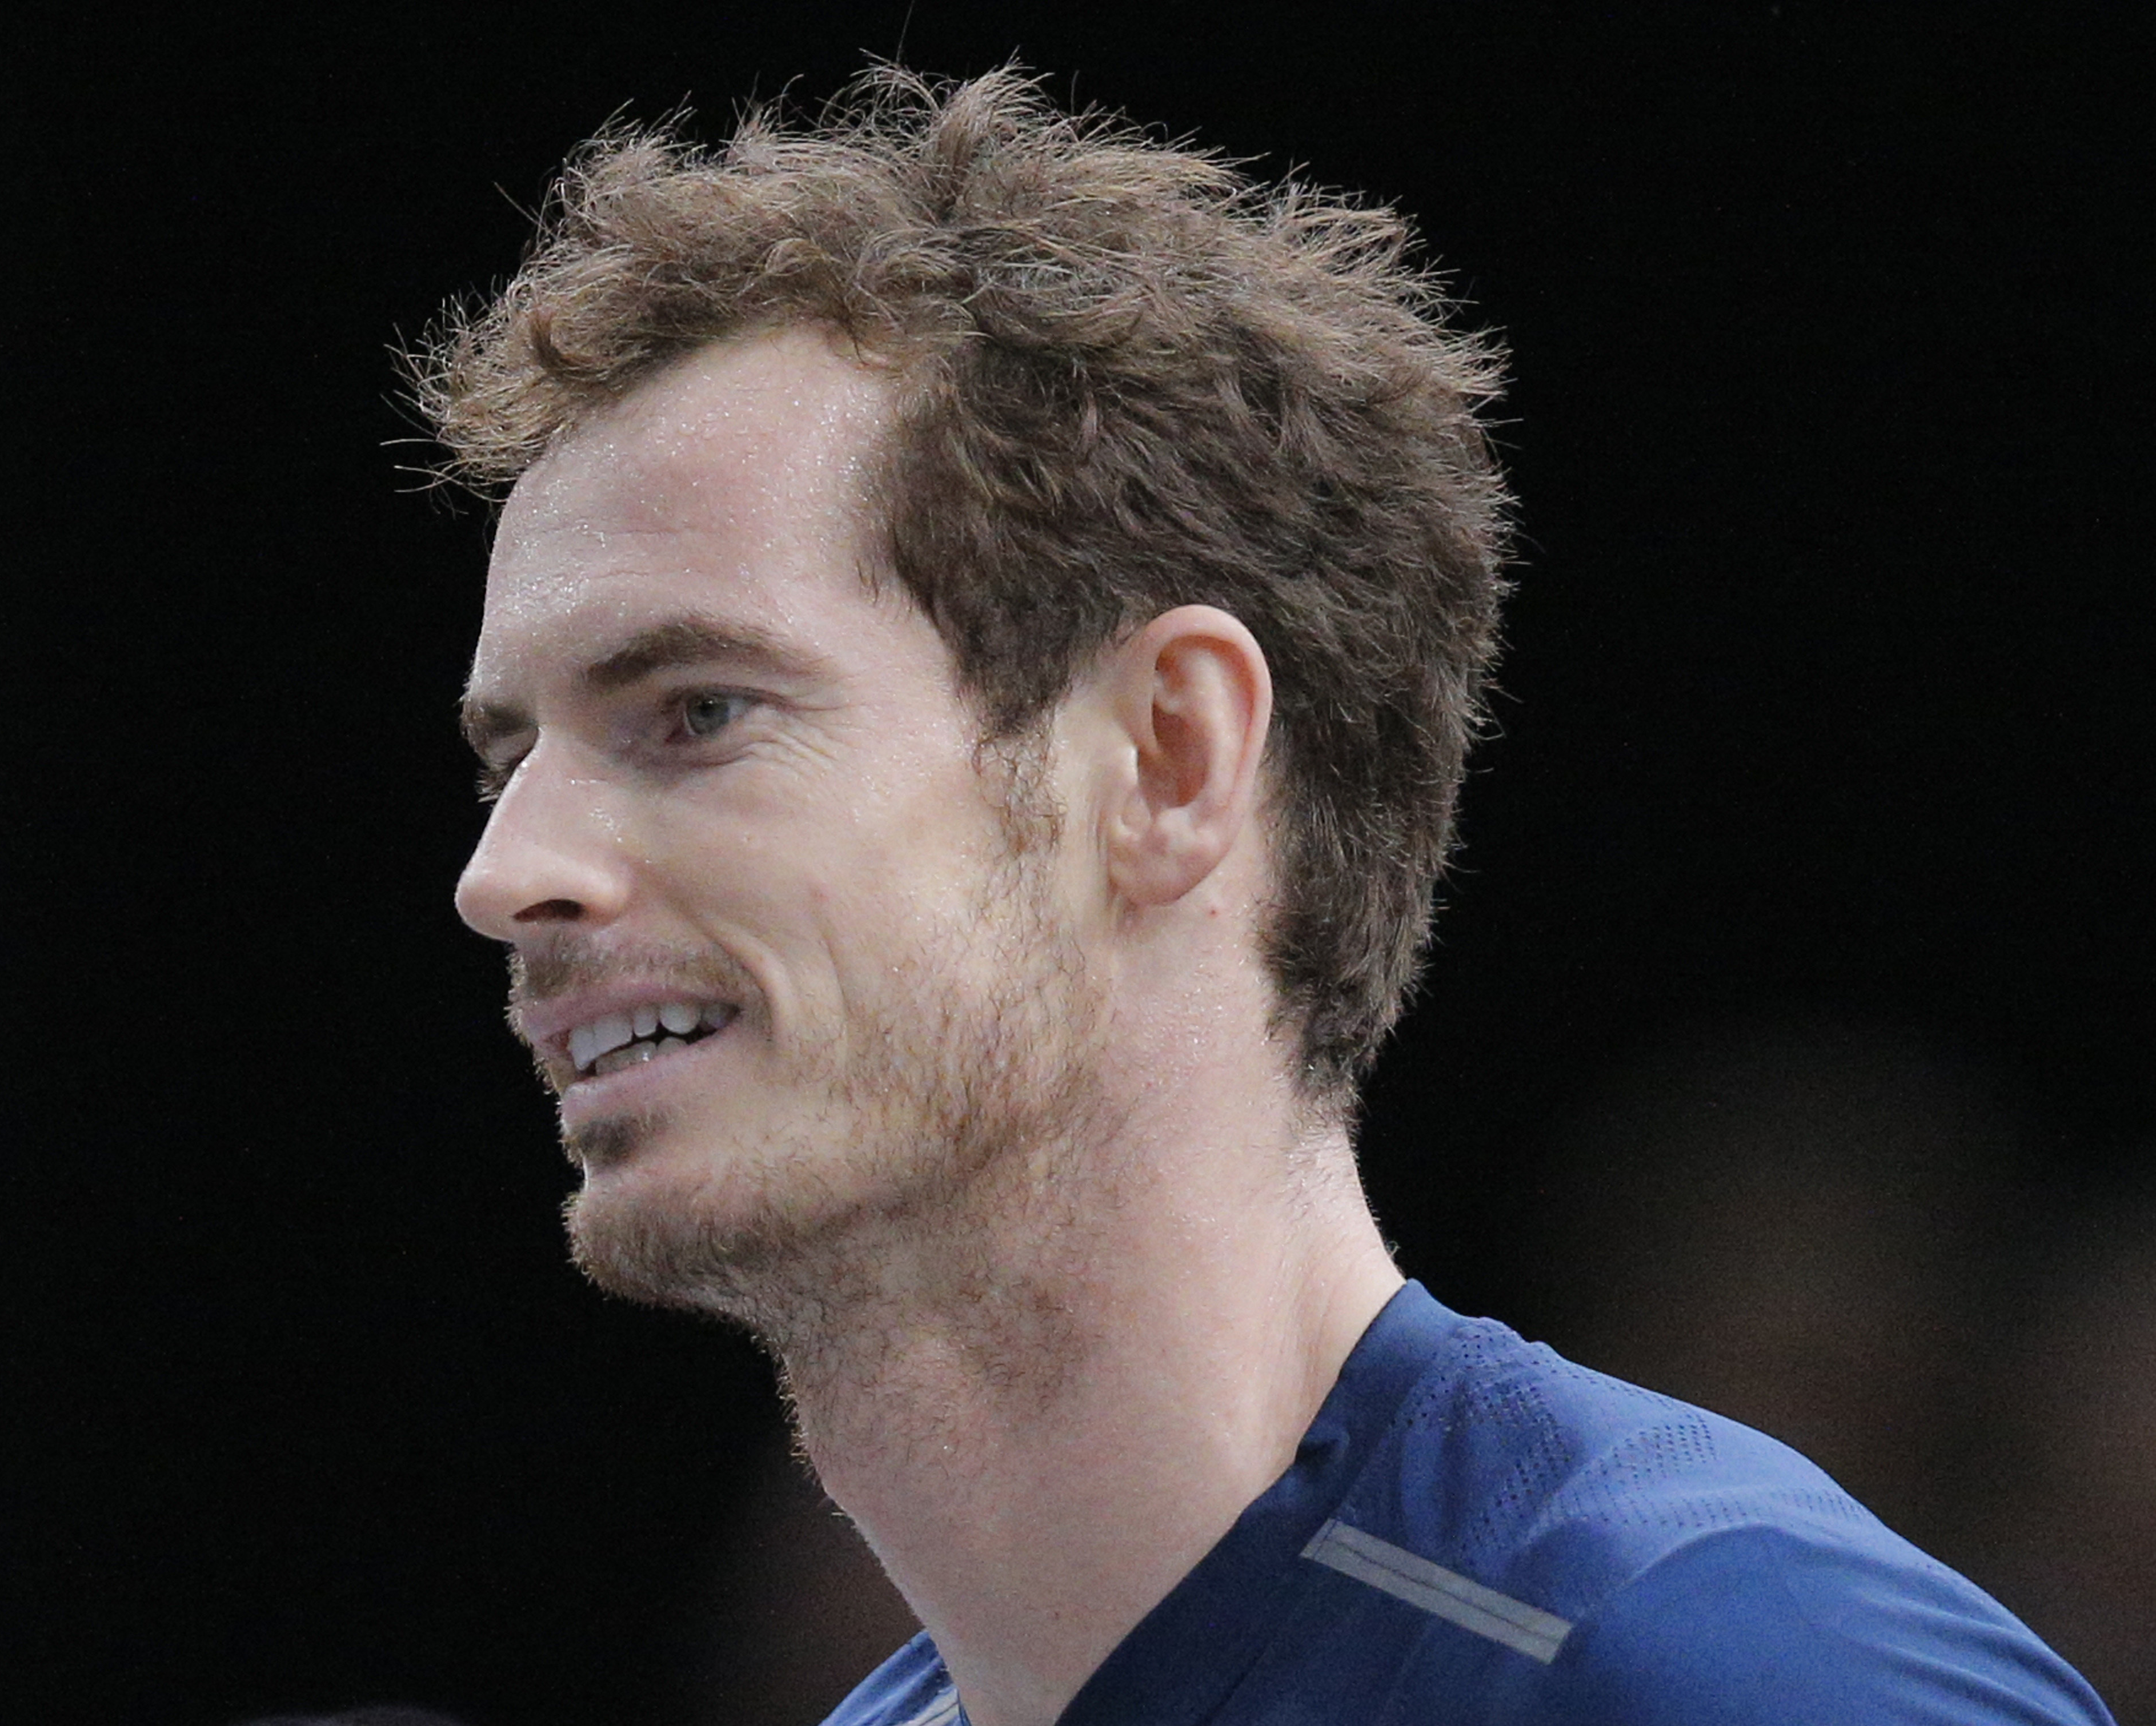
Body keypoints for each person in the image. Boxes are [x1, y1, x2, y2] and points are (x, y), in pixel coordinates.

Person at [422, 66, 2113, 1726]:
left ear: (1165, 759)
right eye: (513, 759)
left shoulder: (1718, 1672)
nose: (507, 875)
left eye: (698, 712)